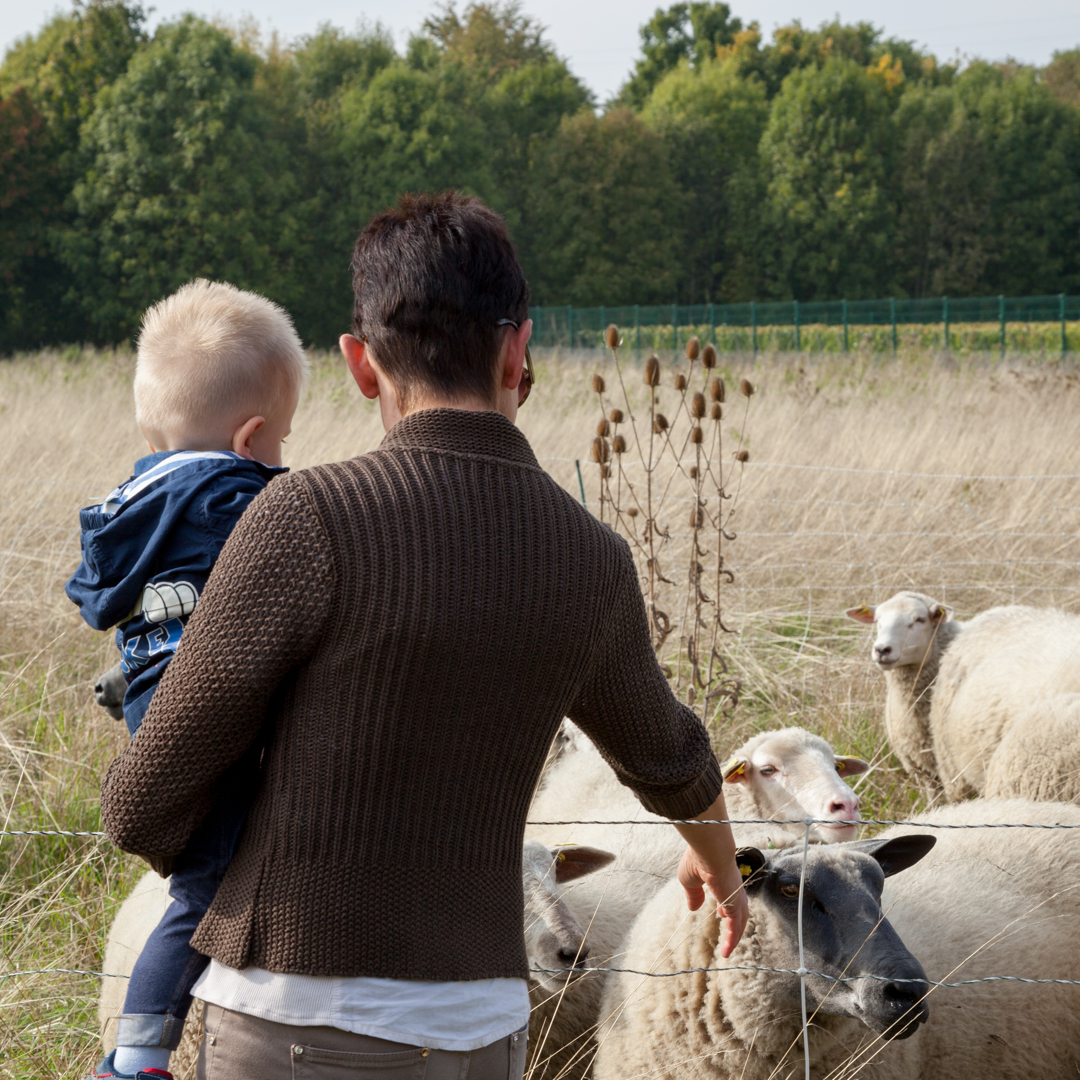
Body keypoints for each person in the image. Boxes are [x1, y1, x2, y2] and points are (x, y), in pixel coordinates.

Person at [98, 192, 748, 1080]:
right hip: (482, 1030)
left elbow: (139, 802)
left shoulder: (304, 516)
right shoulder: (592, 559)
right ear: (519, 350)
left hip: (292, 1023)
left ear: (361, 365)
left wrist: (239, 860)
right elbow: (671, 758)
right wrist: (721, 867)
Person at [66, 279, 307, 1080]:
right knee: (208, 890)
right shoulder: (244, 498)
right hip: (221, 710)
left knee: (206, 867)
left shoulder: (125, 508)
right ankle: (137, 1055)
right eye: (280, 445)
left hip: (152, 712)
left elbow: (93, 597)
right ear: (251, 436)